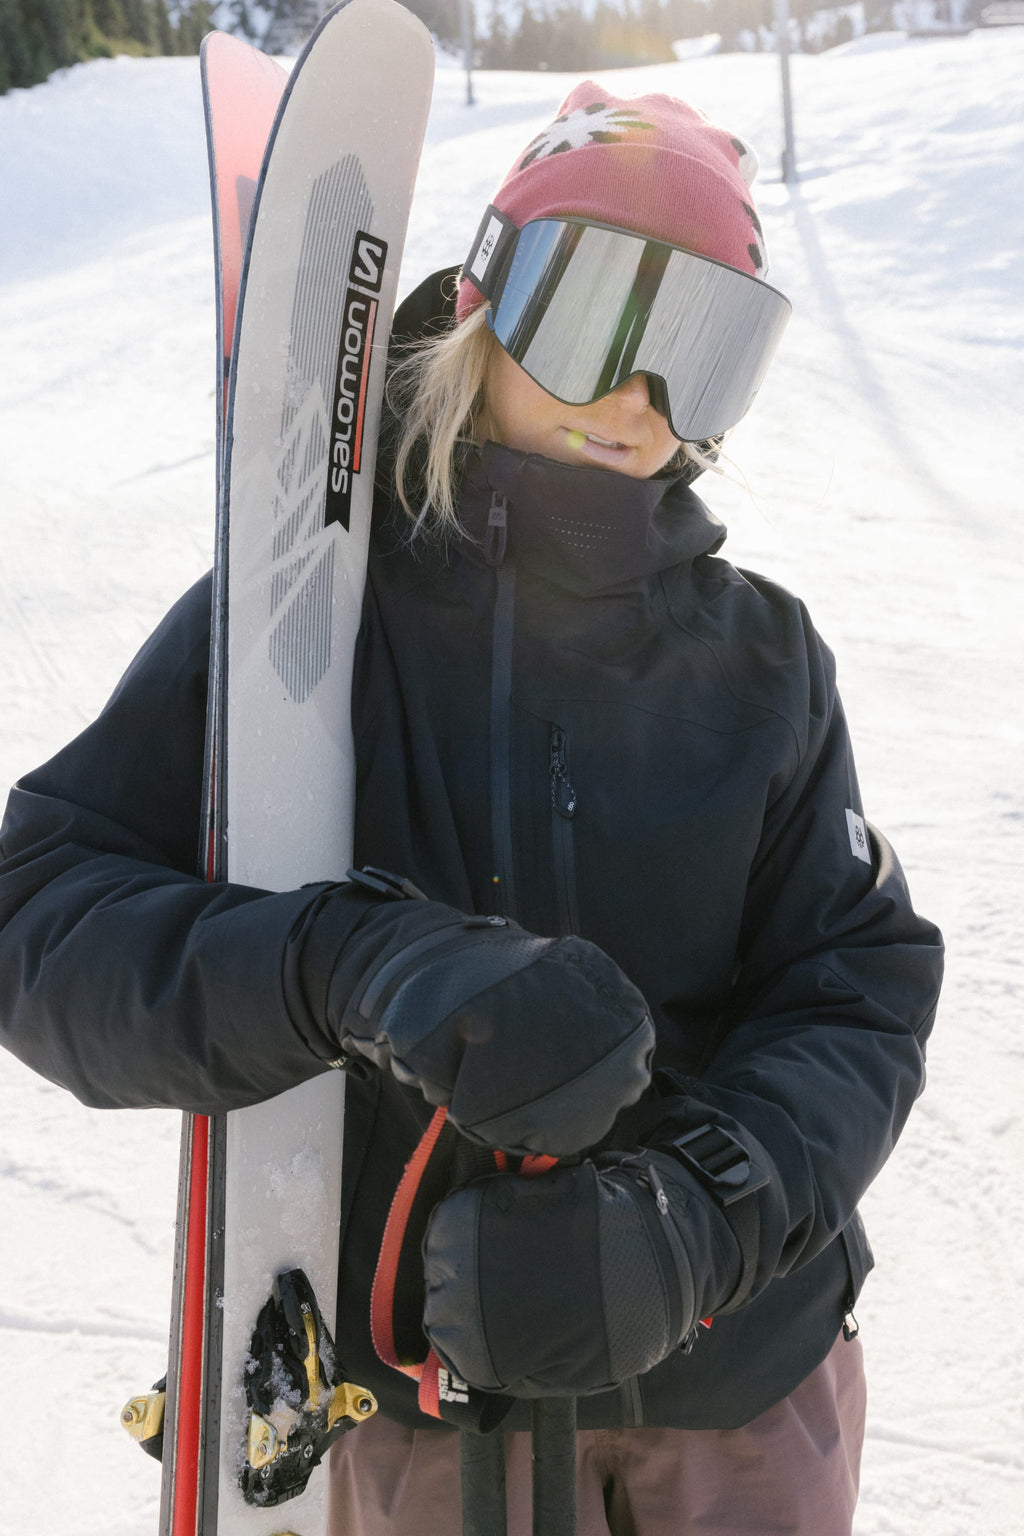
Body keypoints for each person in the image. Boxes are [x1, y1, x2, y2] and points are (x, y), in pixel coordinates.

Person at [0, 82, 942, 1536]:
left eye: (702, 351)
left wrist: (697, 1217)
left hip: (740, 1404)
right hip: (409, 1424)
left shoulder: (762, 657)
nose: (641, 404)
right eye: (595, 326)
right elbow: (40, 919)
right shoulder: (307, 622)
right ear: (487, 310)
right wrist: (342, 965)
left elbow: (857, 988)